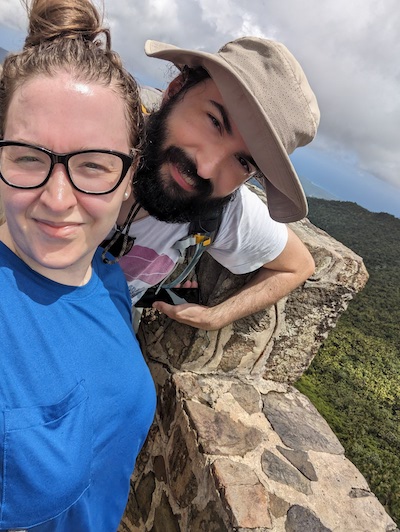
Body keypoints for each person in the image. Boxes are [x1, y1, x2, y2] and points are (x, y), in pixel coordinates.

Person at [0, 0, 155, 529]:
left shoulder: (107, 278)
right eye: (27, 157)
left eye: (92, 165)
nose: (58, 198)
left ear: (130, 176)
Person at [111, 37, 319, 331]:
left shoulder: (223, 211)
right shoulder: (95, 138)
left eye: (243, 162)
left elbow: (298, 265)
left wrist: (218, 316)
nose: (207, 168)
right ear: (175, 91)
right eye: (214, 121)